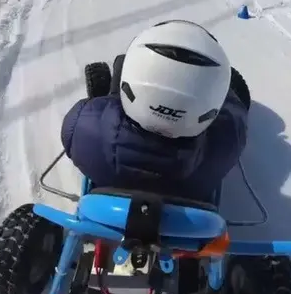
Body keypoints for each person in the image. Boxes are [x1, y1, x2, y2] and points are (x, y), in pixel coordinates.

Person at [60, 20, 249, 204]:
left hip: (110, 182)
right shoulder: (227, 146)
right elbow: (237, 114)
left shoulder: (82, 125)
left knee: (121, 62)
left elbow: (90, 110)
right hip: (189, 200)